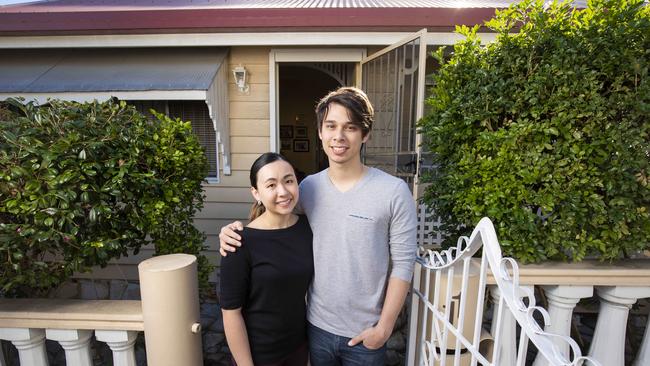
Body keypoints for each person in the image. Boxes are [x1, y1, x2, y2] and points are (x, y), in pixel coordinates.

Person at [220, 87, 417, 365]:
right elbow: (276, 222)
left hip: (366, 334)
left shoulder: (394, 192)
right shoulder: (307, 189)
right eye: (331, 126)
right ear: (321, 132)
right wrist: (233, 232)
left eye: (350, 127)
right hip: (315, 329)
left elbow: (404, 262)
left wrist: (383, 328)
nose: (339, 136)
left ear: (365, 134)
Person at [220, 152, 313, 366]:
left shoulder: (306, 228)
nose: (283, 192)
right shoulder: (239, 243)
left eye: (288, 181)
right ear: (256, 193)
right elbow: (231, 314)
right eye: (271, 185)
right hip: (258, 356)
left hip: (298, 348)